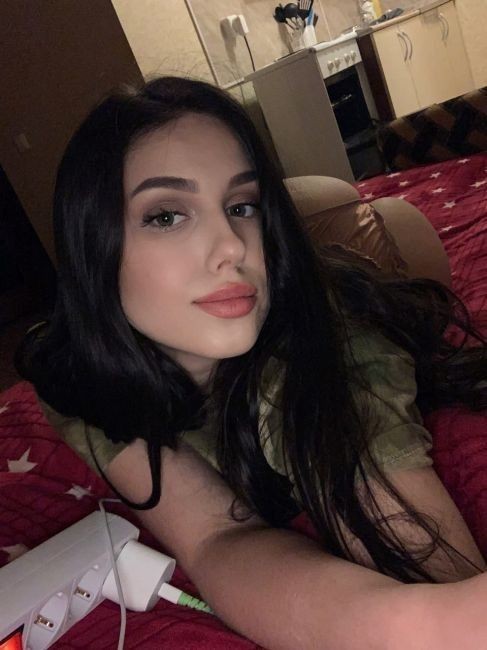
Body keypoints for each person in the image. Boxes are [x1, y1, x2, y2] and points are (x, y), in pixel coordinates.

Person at [17, 76, 487, 649]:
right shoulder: (75, 370)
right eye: (166, 216)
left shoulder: (329, 351)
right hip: (323, 261)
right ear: (93, 245)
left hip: (374, 272)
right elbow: (213, 538)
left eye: (243, 206)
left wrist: (437, 618)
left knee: (387, 226)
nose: (233, 245)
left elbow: (406, 528)